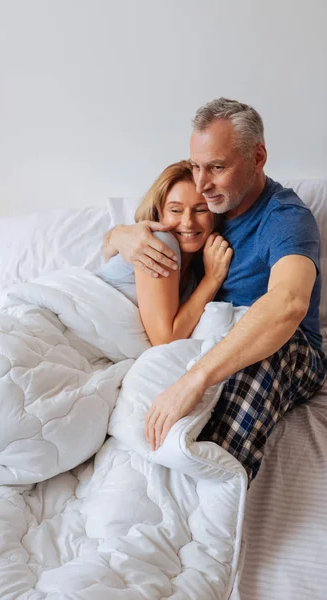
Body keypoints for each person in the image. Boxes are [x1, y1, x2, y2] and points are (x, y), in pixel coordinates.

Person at [103, 98, 327, 484]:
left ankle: (208, 483)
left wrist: (195, 379)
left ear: (258, 157)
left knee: (265, 352)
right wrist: (120, 234)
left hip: (289, 349)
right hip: (209, 342)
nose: (203, 184)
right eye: (196, 166)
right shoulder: (206, 206)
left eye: (217, 168)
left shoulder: (285, 218)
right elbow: (149, 227)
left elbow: (287, 304)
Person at [97, 160, 232, 345]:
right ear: (159, 213)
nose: (188, 222)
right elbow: (164, 339)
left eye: (200, 210)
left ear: (214, 215)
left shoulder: (192, 273)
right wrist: (212, 280)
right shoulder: (158, 242)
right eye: (176, 210)